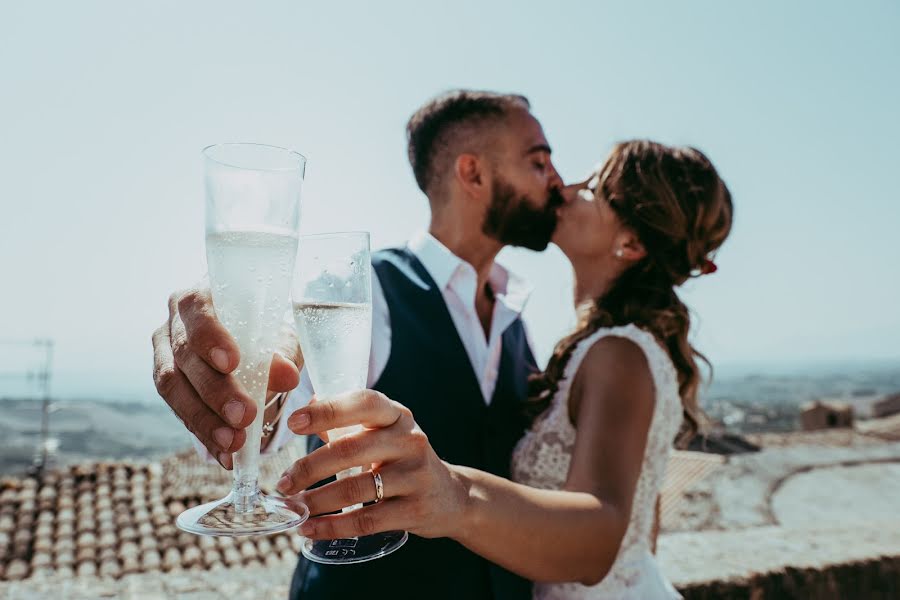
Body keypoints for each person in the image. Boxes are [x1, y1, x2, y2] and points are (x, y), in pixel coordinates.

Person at [152, 89, 564, 600]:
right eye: (540, 162)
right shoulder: (364, 291)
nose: (558, 181)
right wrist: (244, 365)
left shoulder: (513, 315)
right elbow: (292, 348)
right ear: (474, 174)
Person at [276, 140, 734, 599]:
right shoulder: (574, 344)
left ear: (631, 243)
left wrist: (454, 494)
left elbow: (607, 531)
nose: (566, 187)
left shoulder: (619, 353)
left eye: (594, 187)